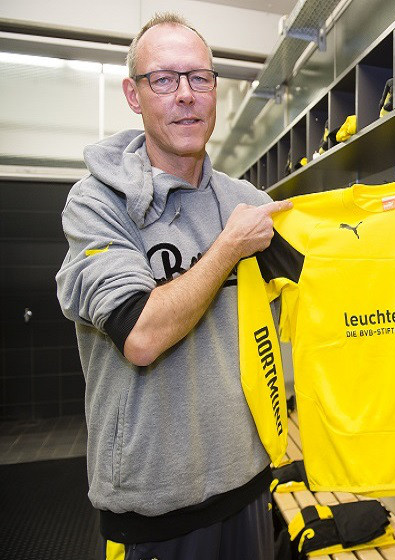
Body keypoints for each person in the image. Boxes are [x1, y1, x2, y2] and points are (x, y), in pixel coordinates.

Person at [56, 12, 291, 560]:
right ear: (133, 95)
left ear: (214, 90)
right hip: (155, 508)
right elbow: (140, 335)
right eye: (163, 79)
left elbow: (326, 283)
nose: (185, 94)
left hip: (249, 482)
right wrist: (227, 249)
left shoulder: (248, 203)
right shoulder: (97, 204)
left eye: (199, 78)